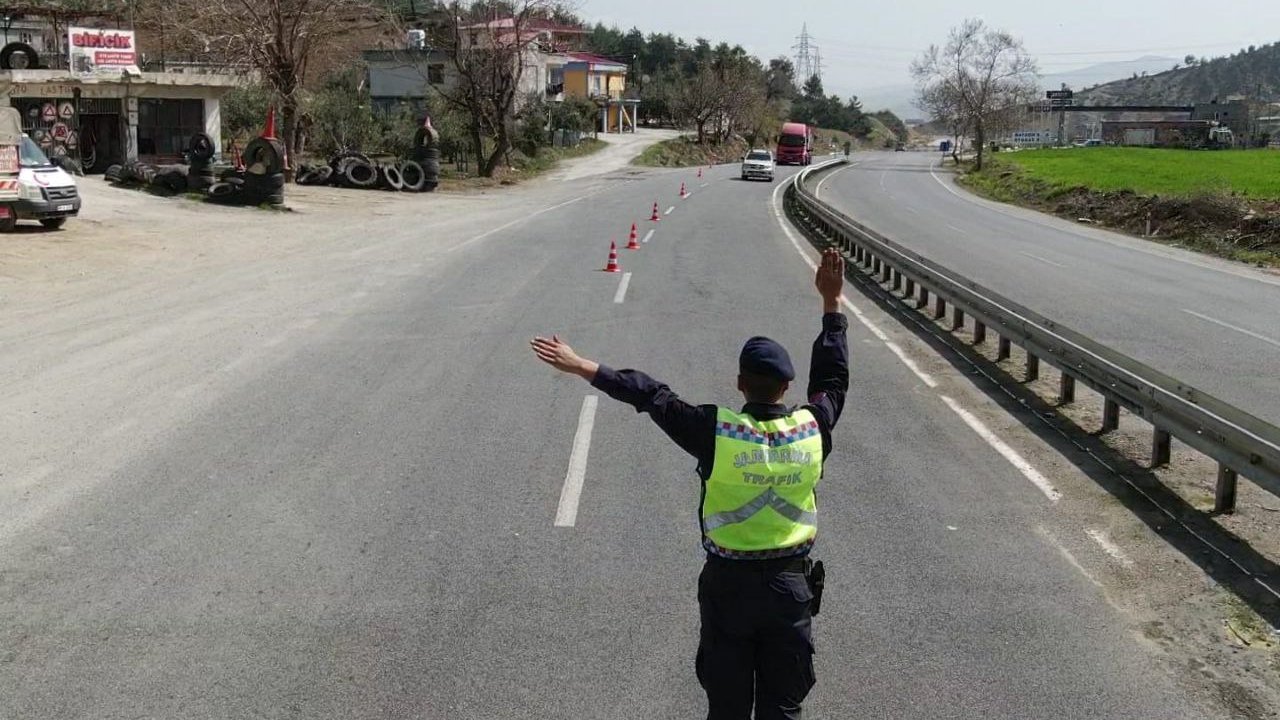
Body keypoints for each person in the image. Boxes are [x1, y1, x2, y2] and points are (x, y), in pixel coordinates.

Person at [530, 248, 849, 719]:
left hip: (729, 589)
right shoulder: (811, 429)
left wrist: (582, 366)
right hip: (789, 590)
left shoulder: (716, 432)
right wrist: (832, 304)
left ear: (740, 383)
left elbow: (650, 395)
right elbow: (833, 381)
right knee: (783, 709)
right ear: (786, 388)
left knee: (727, 707)